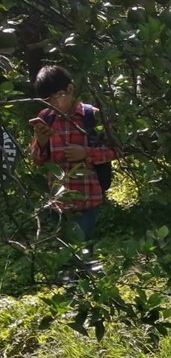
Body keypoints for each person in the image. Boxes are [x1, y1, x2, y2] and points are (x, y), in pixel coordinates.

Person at [28, 65, 119, 246]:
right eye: (47, 99)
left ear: (70, 89)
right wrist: (41, 142)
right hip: (57, 200)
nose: (53, 103)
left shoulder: (92, 116)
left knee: (82, 246)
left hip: (87, 197)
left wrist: (86, 153)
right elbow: (38, 160)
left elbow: (116, 149)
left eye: (56, 97)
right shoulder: (46, 118)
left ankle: (84, 273)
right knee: (64, 252)